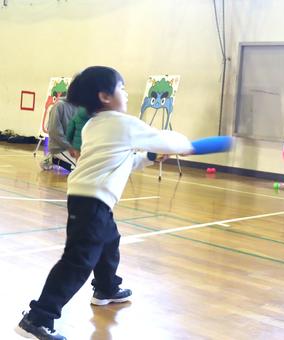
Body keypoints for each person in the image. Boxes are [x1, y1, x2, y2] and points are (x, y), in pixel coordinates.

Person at [16, 66, 194, 340]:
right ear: (105, 96)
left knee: (109, 240)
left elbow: (120, 162)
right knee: (77, 261)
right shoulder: (121, 123)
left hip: (88, 198)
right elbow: (166, 140)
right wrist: (186, 144)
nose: (125, 93)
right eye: (121, 88)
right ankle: (38, 317)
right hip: (92, 200)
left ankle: (106, 288)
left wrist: (148, 157)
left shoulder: (94, 126)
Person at [40, 98, 79, 171]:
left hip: (74, 147)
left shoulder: (82, 108)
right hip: (60, 147)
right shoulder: (59, 105)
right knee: (79, 170)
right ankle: (53, 159)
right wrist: (69, 147)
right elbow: (53, 132)